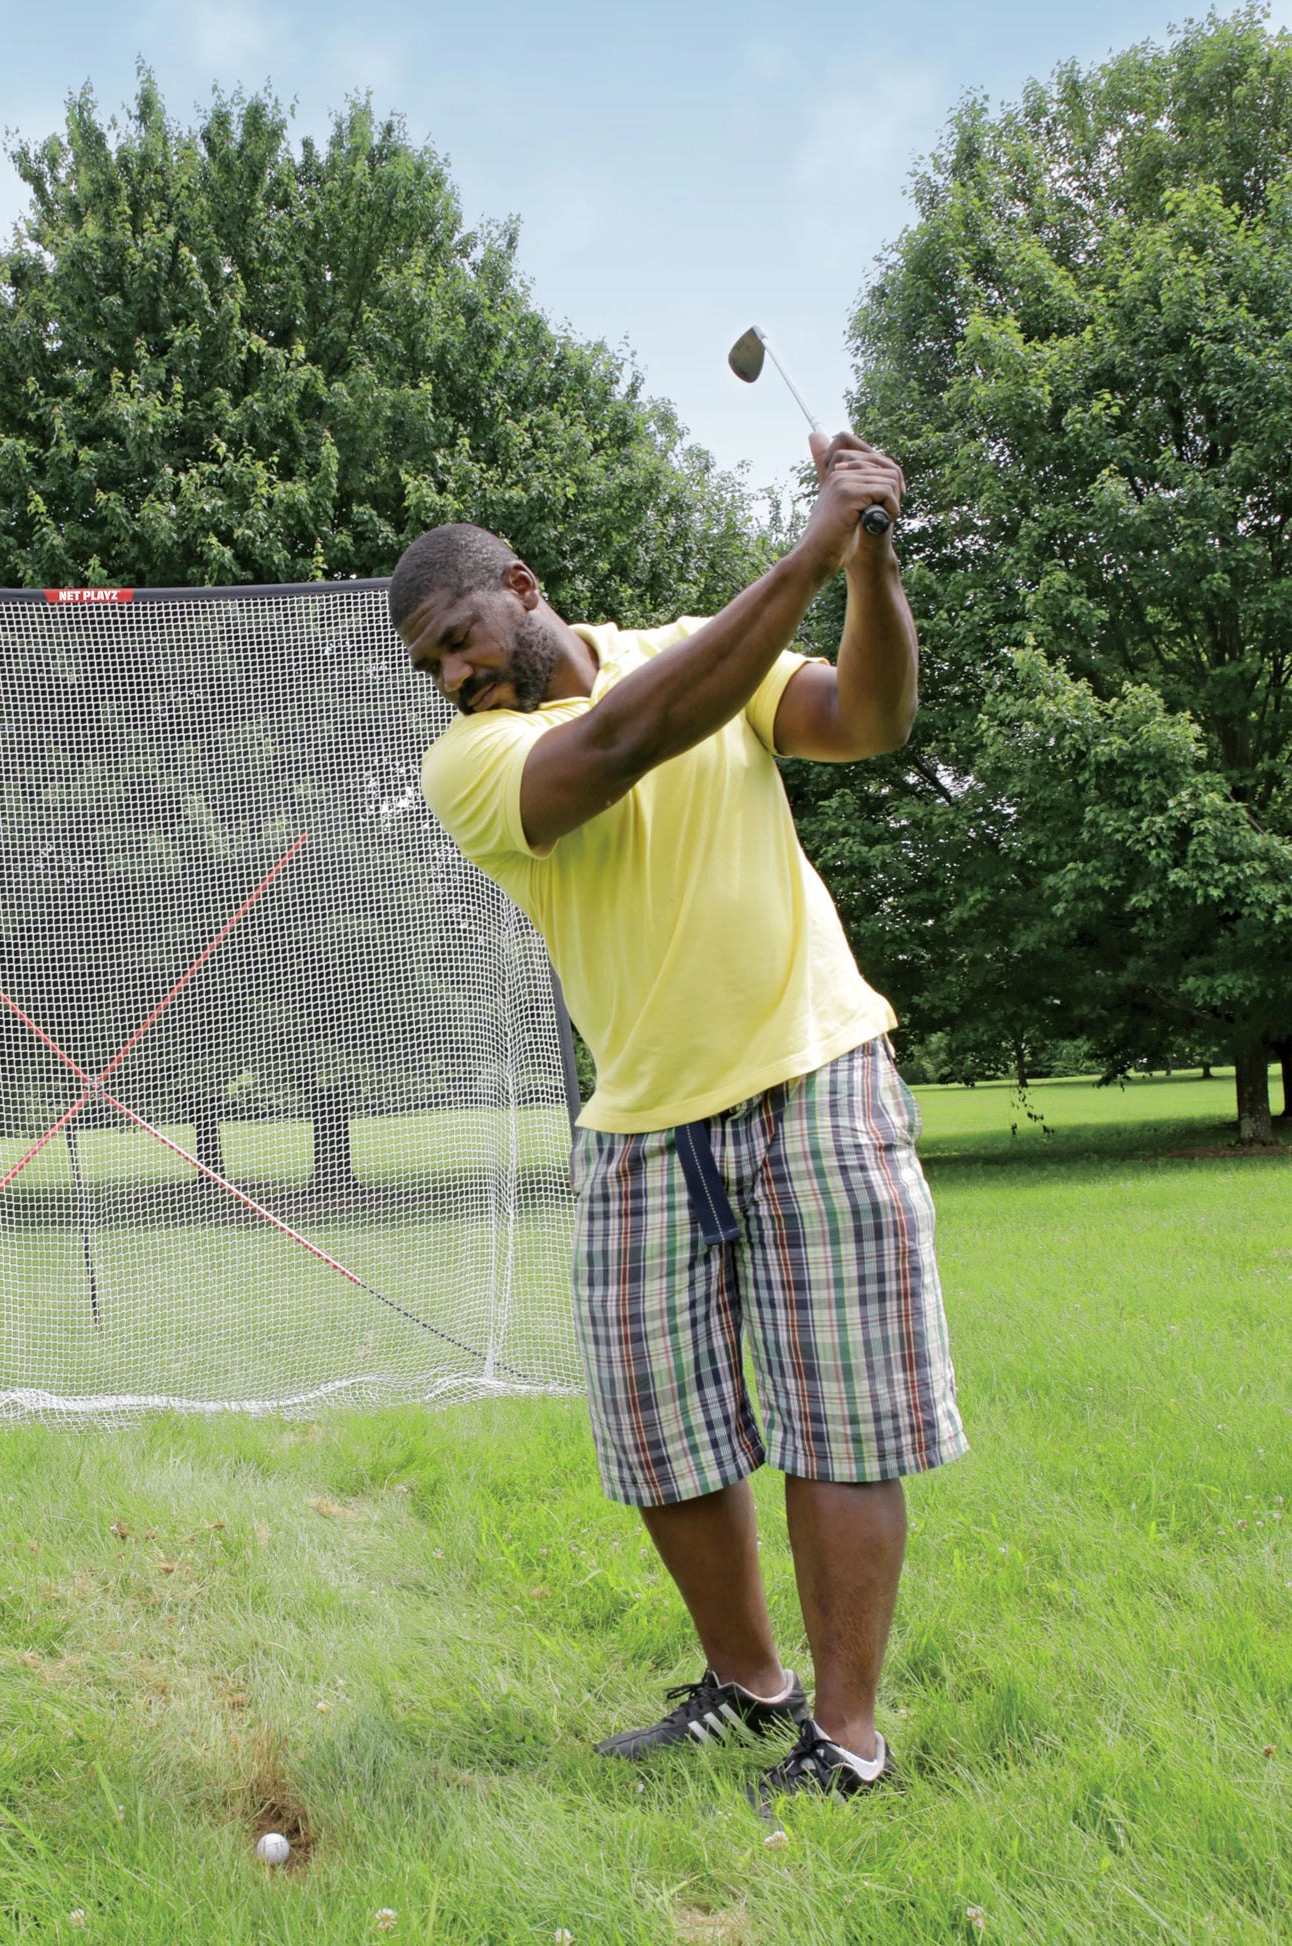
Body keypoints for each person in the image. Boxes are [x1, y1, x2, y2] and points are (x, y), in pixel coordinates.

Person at [395, 433, 966, 1812]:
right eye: (430, 668)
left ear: (520, 589)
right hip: (642, 1122)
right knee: (662, 1436)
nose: (454, 677)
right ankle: (749, 1683)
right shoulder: (472, 762)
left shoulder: (704, 651)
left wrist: (868, 562)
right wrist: (809, 550)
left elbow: (870, 717)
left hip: (814, 1072)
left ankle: (845, 1735)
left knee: (840, 1423)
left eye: (460, 641)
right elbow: (624, 738)